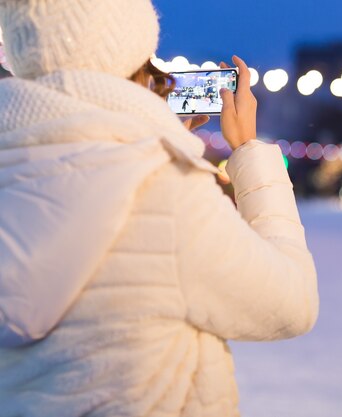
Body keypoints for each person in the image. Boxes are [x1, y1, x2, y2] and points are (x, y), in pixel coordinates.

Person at [0, 1, 319, 416]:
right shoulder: (164, 190)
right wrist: (249, 152)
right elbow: (291, 304)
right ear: (128, 62)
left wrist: (153, 133)